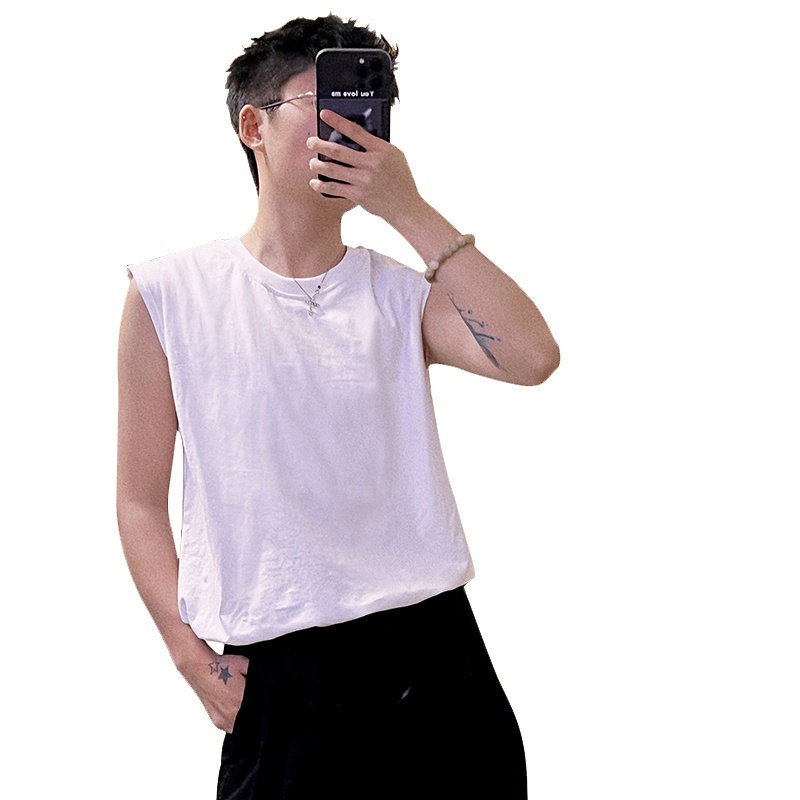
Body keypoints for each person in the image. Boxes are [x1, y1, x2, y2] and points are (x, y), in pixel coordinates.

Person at [116, 13, 559, 800]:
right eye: (324, 103)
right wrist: (190, 656)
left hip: (436, 662)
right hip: (281, 676)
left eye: (368, 109)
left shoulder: (399, 294)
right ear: (253, 126)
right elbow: (139, 499)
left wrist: (407, 207)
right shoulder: (170, 293)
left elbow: (532, 358)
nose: (351, 128)